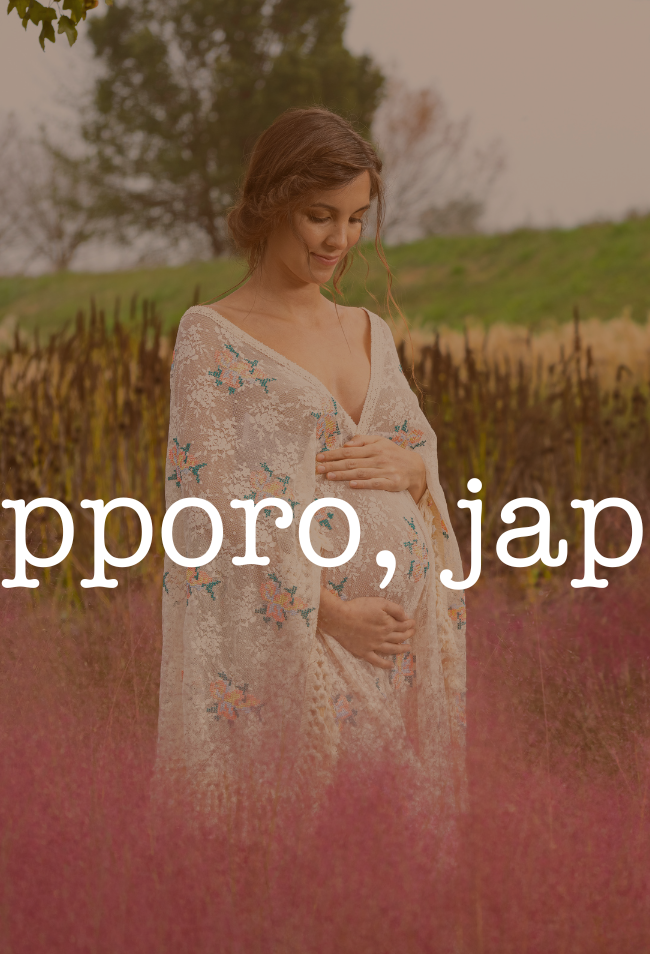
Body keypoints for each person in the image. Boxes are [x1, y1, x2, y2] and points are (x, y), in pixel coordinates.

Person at [157, 106, 467, 830]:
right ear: (270, 204)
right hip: (308, 644)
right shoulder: (214, 337)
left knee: (401, 853)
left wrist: (415, 472)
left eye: (357, 218)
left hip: (401, 649)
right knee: (328, 844)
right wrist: (331, 616)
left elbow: (419, 460)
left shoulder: (369, 330)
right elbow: (215, 515)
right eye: (320, 216)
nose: (340, 240)